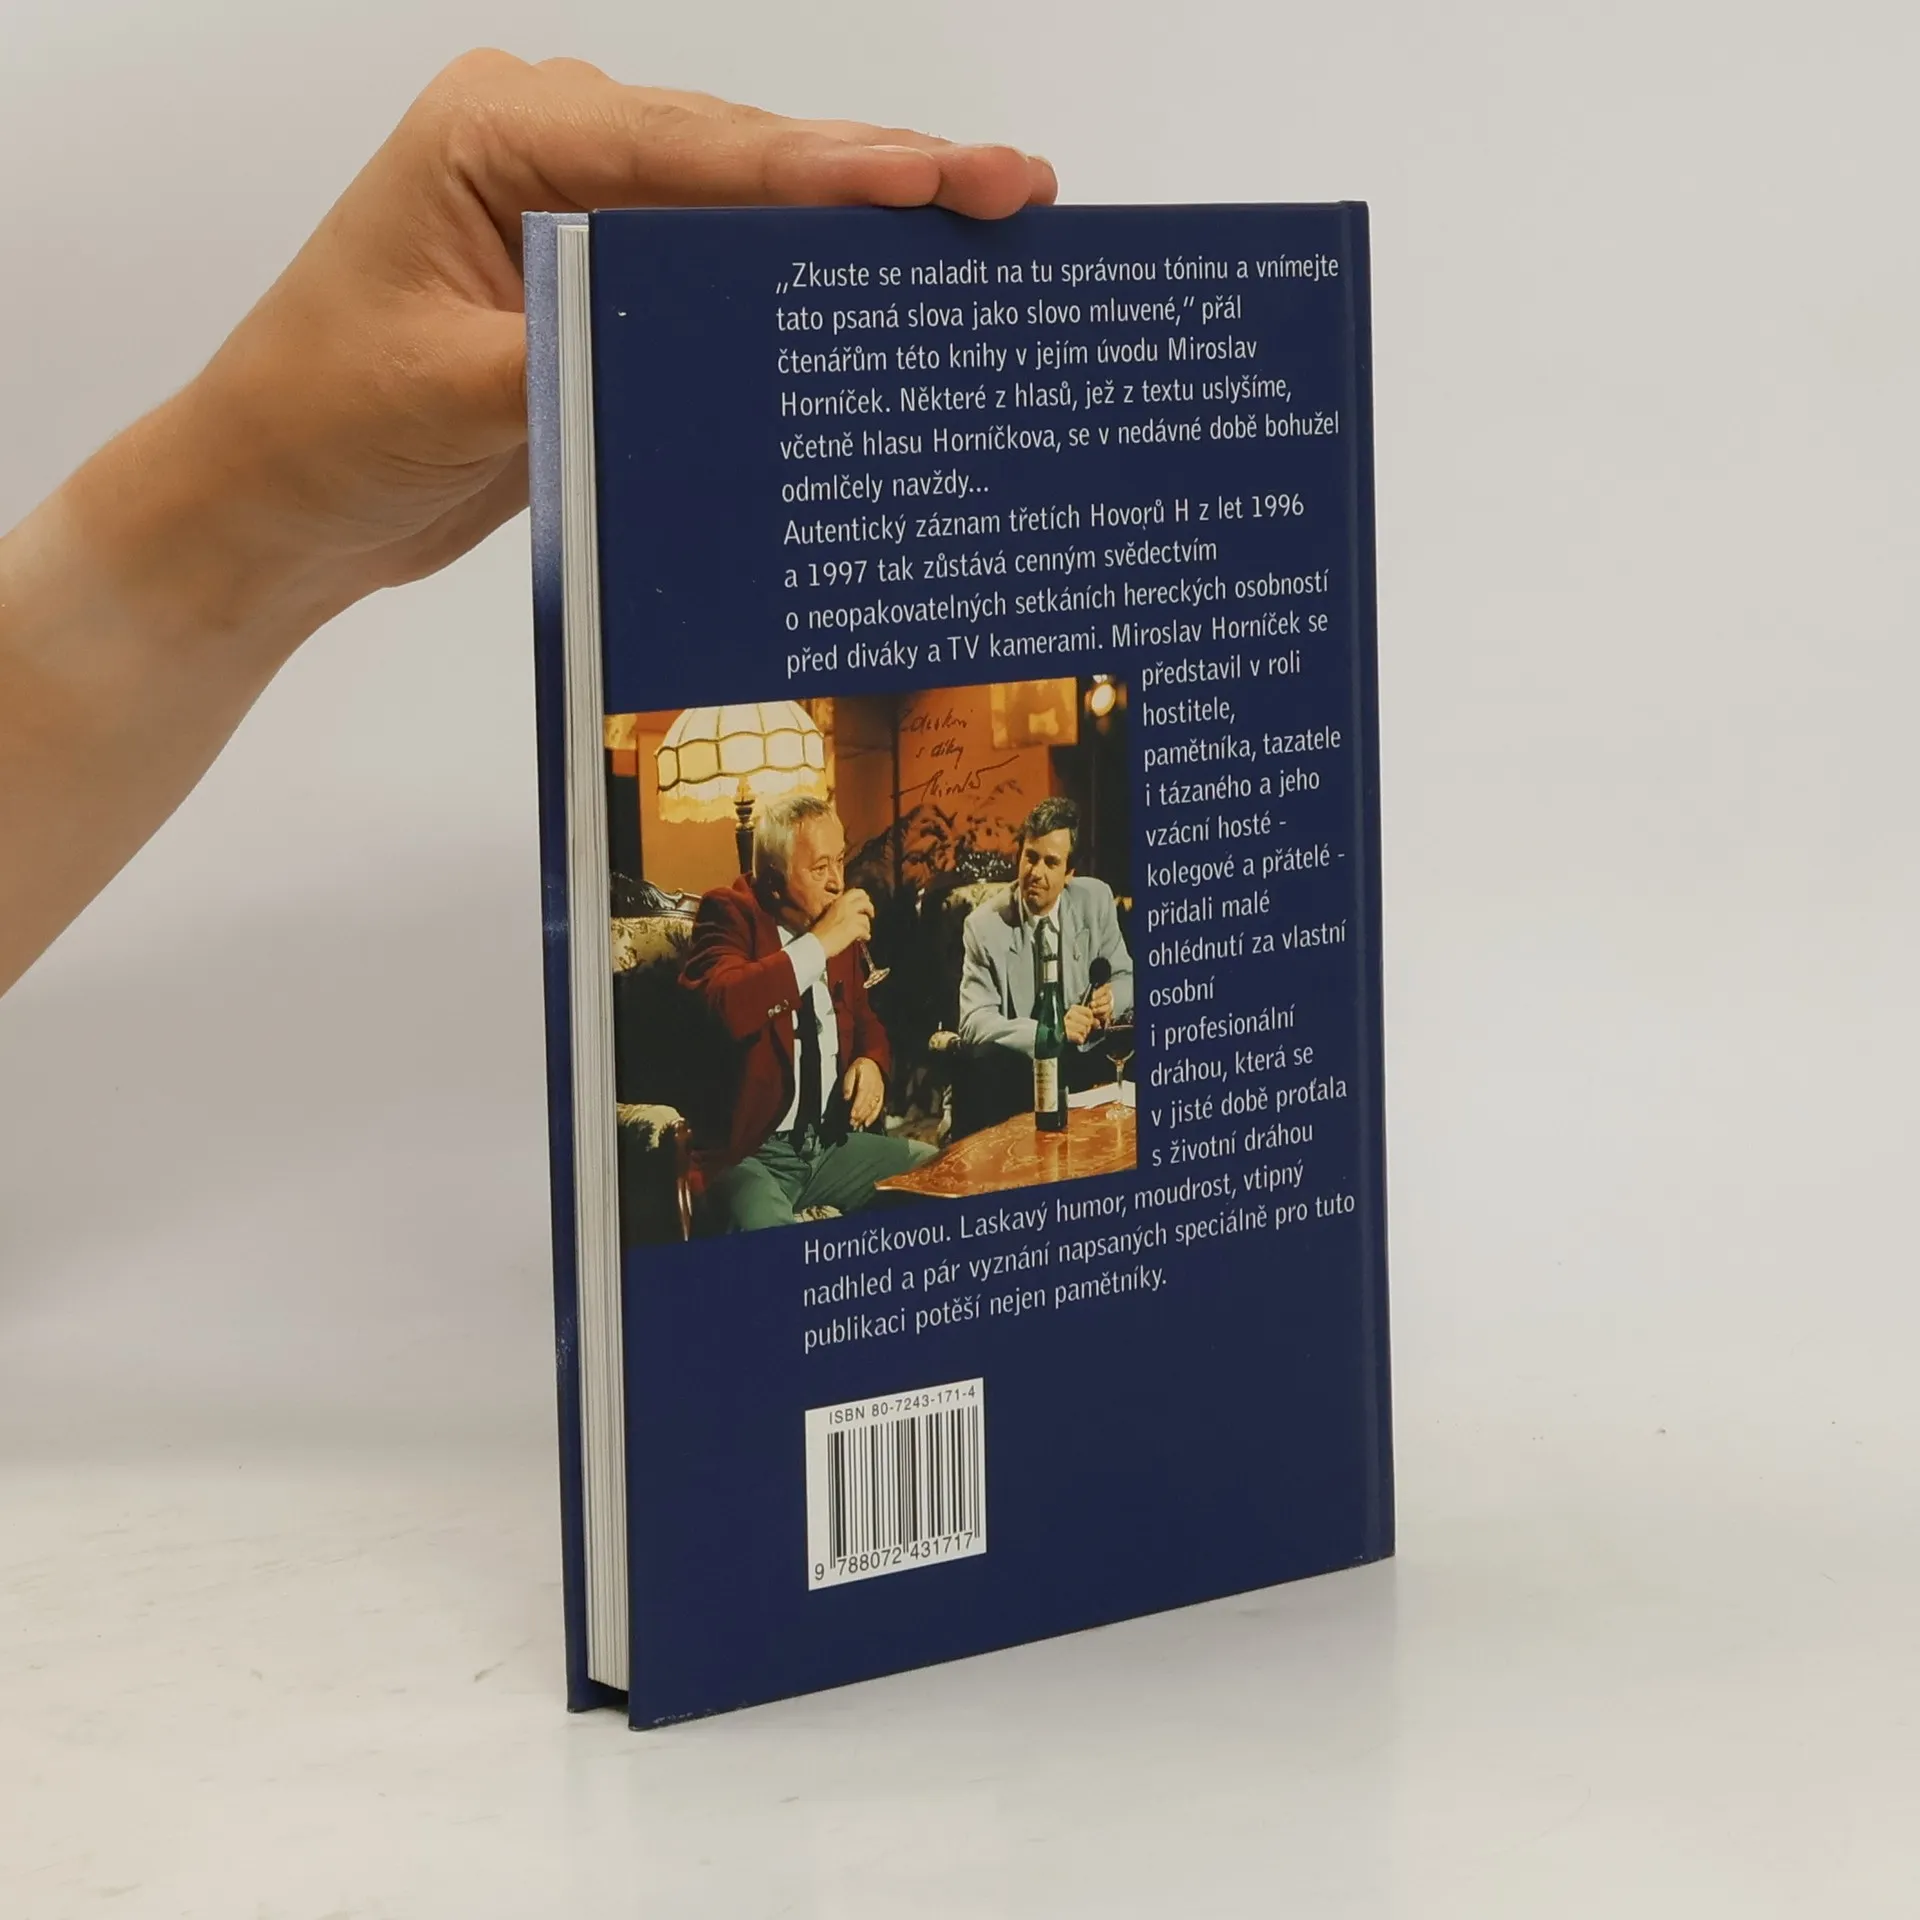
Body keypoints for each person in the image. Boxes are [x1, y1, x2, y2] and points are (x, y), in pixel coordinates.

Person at [0, 54, 1056, 998]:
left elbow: (866, 1027)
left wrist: (239, 530)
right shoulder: (732, 921)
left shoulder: (865, 916)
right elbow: (727, 1016)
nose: (836, 872)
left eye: (836, 859)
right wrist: (239, 501)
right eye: (822, 861)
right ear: (779, 860)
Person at [681, 794, 935, 1231]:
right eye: (820, 869)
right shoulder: (728, 913)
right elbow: (727, 1005)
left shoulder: (829, 921)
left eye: (840, 861)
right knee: (770, 1234)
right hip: (749, 1153)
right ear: (774, 881)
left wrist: (871, 1062)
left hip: (826, 1146)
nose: (838, 882)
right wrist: (820, 944)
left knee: (937, 1174)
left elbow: (865, 1018)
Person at [955, 796, 1134, 1131]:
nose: (1035, 873)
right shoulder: (984, 926)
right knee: (981, 1063)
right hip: (1023, 1069)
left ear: (1069, 873)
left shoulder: (1095, 900)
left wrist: (1110, 1000)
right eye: (1030, 857)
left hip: (1088, 1055)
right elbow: (974, 1021)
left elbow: (1127, 977)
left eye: (1051, 863)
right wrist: (1049, 1033)